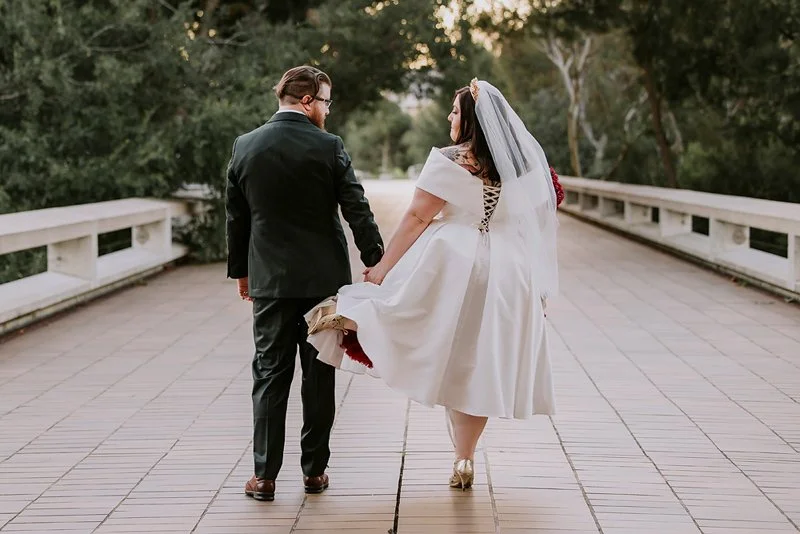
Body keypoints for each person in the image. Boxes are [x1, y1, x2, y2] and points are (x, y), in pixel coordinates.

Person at [306, 79, 559, 491]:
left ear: (471, 120)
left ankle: (352, 316)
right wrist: (538, 286)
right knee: (481, 365)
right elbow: (536, 222)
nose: (449, 117)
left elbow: (417, 218)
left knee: (416, 315)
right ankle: (464, 459)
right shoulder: (524, 166)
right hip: (509, 272)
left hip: (455, 260)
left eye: (455, 111)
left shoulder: (450, 160)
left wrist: (383, 268)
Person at [225, 65, 384, 502]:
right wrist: (378, 262)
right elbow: (358, 208)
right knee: (319, 375)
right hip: (323, 284)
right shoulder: (328, 146)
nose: (328, 112)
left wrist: (242, 271)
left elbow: (237, 218)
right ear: (309, 100)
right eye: (327, 103)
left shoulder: (245, 146)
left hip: (270, 283)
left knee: (270, 374)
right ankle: (314, 471)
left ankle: (264, 477)